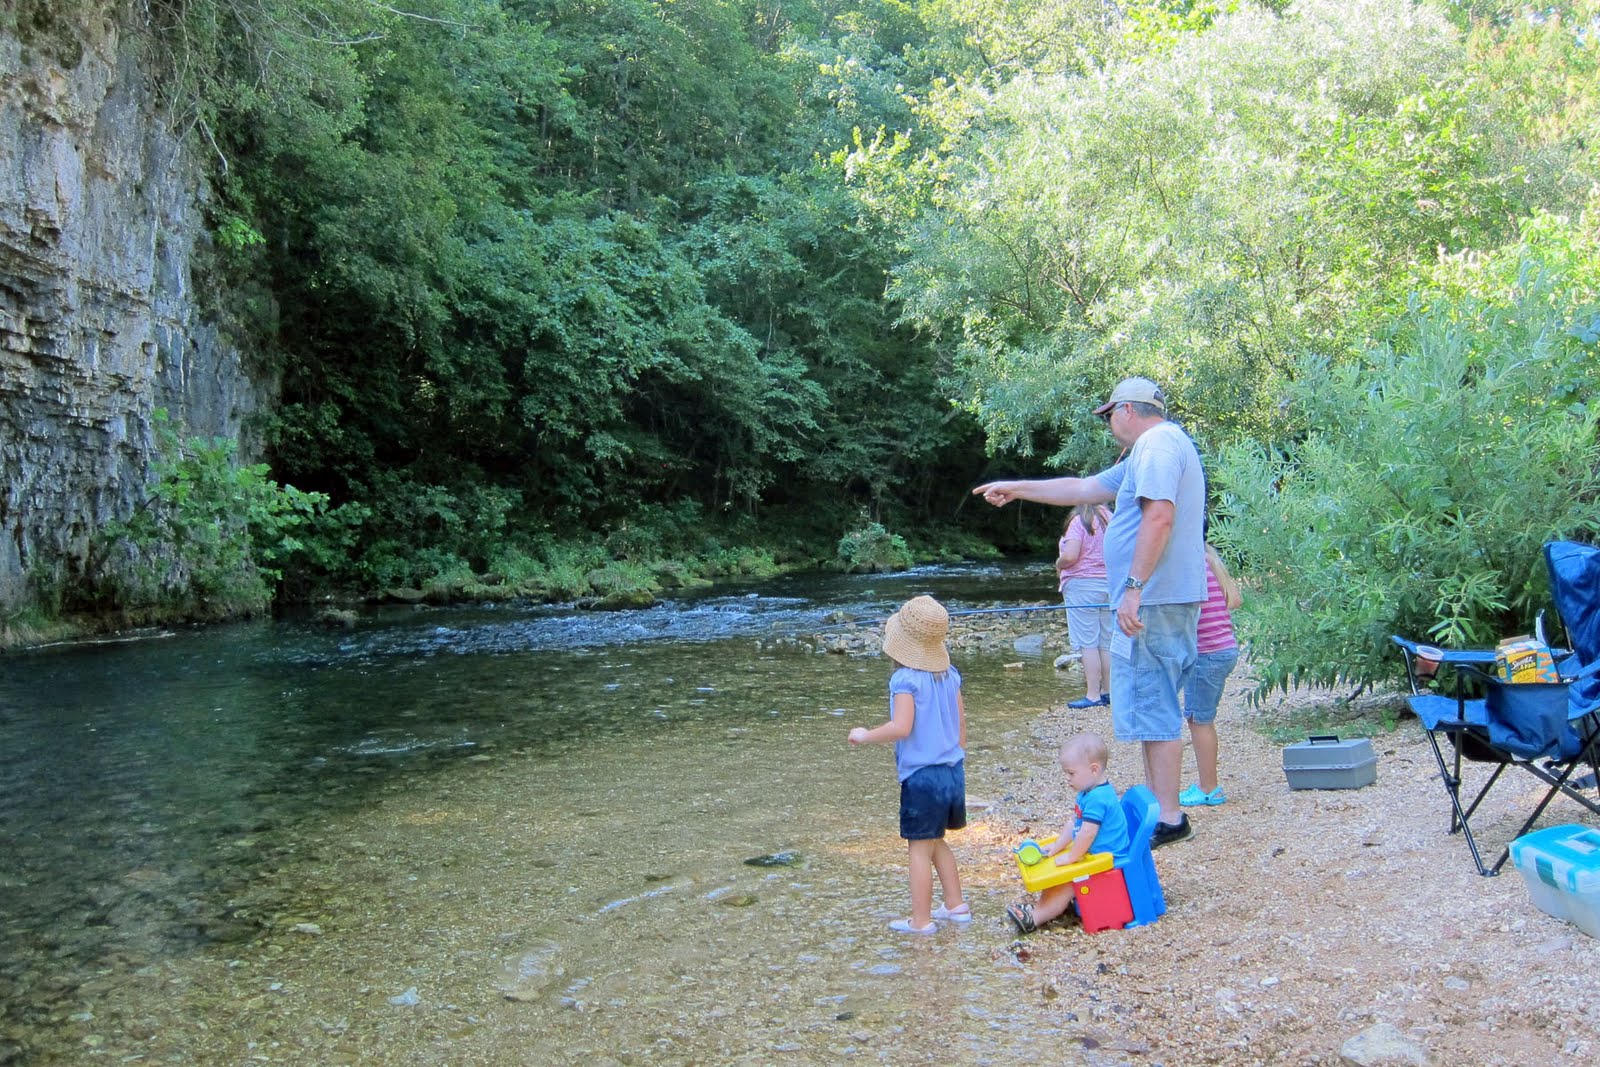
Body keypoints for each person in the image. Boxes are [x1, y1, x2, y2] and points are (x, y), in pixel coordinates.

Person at [973, 376, 1206, 848]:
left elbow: (1159, 516)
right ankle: (1161, 811)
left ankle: (1169, 818)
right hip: (1159, 598)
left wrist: (1134, 589)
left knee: (1156, 704)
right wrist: (1016, 488)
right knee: (1151, 705)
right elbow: (1083, 488)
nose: (1109, 424)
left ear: (1127, 410)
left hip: (1154, 600)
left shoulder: (1157, 446)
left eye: (1110, 414)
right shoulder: (1150, 451)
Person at [848, 595, 970, 933]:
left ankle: (921, 921)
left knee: (918, 848)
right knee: (936, 840)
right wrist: (952, 755)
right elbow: (961, 725)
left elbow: (901, 727)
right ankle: (956, 905)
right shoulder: (950, 675)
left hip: (923, 777)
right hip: (952, 771)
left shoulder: (905, 680)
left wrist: (865, 735)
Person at [1006, 732, 1130, 934]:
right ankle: (1041, 907)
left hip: (1108, 857)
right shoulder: (1087, 792)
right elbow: (1074, 825)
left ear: (1093, 769)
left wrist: (1072, 857)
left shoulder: (1098, 799)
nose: (1067, 779)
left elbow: (1087, 833)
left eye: (1071, 773)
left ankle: (1035, 918)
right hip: (1095, 851)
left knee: (1067, 880)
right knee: (1058, 869)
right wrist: (1056, 847)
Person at [1180, 542, 1243, 807]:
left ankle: (1209, 788)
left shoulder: (1188, 566)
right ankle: (1208, 785)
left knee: (1199, 720)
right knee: (1202, 718)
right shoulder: (1209, 560)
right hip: (1225, 649)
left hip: (1206, 654)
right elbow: (1235, 600)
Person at [1056, 503, 1114, 709]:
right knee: (1106, 641)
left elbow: (1070, 556)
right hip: (1111, 585)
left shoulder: (1079, 520)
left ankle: (1092, 695)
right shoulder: (1112, 517)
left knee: (1088, 642)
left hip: (1082, 586)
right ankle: (1108, 691)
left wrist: (1058, 563)